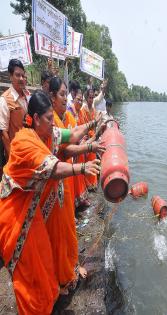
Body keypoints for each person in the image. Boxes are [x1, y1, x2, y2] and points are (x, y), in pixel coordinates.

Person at [0, 90, 100, 314]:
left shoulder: (45, 134)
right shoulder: (24, 142)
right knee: (32, 280)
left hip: (30, 212)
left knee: (45, 267)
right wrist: (81, 167)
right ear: (35, 119)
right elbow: (54, 169)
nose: (52, 123)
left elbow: (71, 135)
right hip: (14, 219)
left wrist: (95, 122)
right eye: (48, 118)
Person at [48, 77, 105, 293]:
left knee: (68, 226)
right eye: (62, 94)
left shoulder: (65, 118)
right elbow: (64, 151)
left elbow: (71, 137)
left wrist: (92, 129)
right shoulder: (49, 121)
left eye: (66, 94)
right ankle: (63, 275)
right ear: (52, 97)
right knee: (60, 230)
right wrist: (84, 160)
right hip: (54, 181)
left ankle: (69, 268)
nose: (66, 98)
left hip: (63, 181)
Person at [0, 59, 31, 158]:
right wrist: (11, 158)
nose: (21, 78)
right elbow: (4, 133)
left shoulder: (28, 95)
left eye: (23, 75)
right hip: (16, 154)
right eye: (17, 75)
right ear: (10, 77)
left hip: (30, 149)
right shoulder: (5, 99)